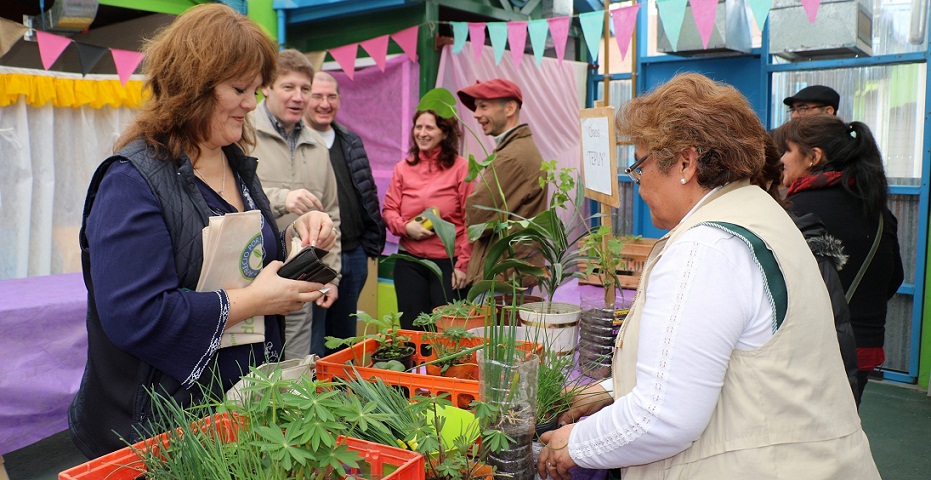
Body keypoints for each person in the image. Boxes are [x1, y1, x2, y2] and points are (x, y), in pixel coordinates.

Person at [536, 73, 879, 480]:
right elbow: (720, 360)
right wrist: (611, 391)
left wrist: (575, 443)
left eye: (639, 165)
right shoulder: (758, 213)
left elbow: (663, 417)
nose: (638, 183)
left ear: (685, 161)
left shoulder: (706, 248)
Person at [69, 4, 336, 459]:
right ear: (191, 86)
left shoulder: (235, 163)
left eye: (255, 89)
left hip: (235, 408)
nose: (252, 104)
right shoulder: (131, 182)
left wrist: (296, 240)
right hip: (155, 427)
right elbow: (137, 315)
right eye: (239, 89)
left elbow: (242, 257)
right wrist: (256, 301)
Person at [773, 115, 904, 402]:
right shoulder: (878, 210)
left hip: (812, 348)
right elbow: (894, 278)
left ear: (813, 157)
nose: (780, 159)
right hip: (865, 348)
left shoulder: (794, 210)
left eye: (786, 150)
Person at [251, 50, 342, 361]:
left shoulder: (317, 145)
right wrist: (280, 198)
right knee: (252, 377)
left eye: (305, 89)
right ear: (266, 87)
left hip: (301, 281)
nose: (298, 97)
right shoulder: (242, 133)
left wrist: (332, 276)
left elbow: (333, 216)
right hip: (251, 285)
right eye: (288, 87)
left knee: (296, 370)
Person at [304, 71, 386, 355]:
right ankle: (314, 395)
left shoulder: (350, 140)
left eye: (331, 97)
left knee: (345, 338)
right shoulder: (299, 143)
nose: (324, 103)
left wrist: (368, 244)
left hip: (354, 252)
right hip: (315, 257)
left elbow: (367, 191)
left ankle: (342, 393)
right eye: (317, 96)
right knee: (314, 339)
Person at [382, 110, 473, 329]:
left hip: (449, 265)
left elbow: (472, 220)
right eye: (418, 127)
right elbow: (389, 210)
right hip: (410, 263)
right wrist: (406, 227)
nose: (422, 133)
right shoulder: (403, 169)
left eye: (429, 128)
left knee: (448, 332)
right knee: (412, 330)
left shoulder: (462, 168)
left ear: (444, 133)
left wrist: (463, 265)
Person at [456, 78, 547, 287]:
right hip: (508, 274)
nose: (476, 114)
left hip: (504, 278)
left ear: (510, 108)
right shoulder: (514, 149)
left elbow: (477, 218)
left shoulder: (511, 157)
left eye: (483, 106)